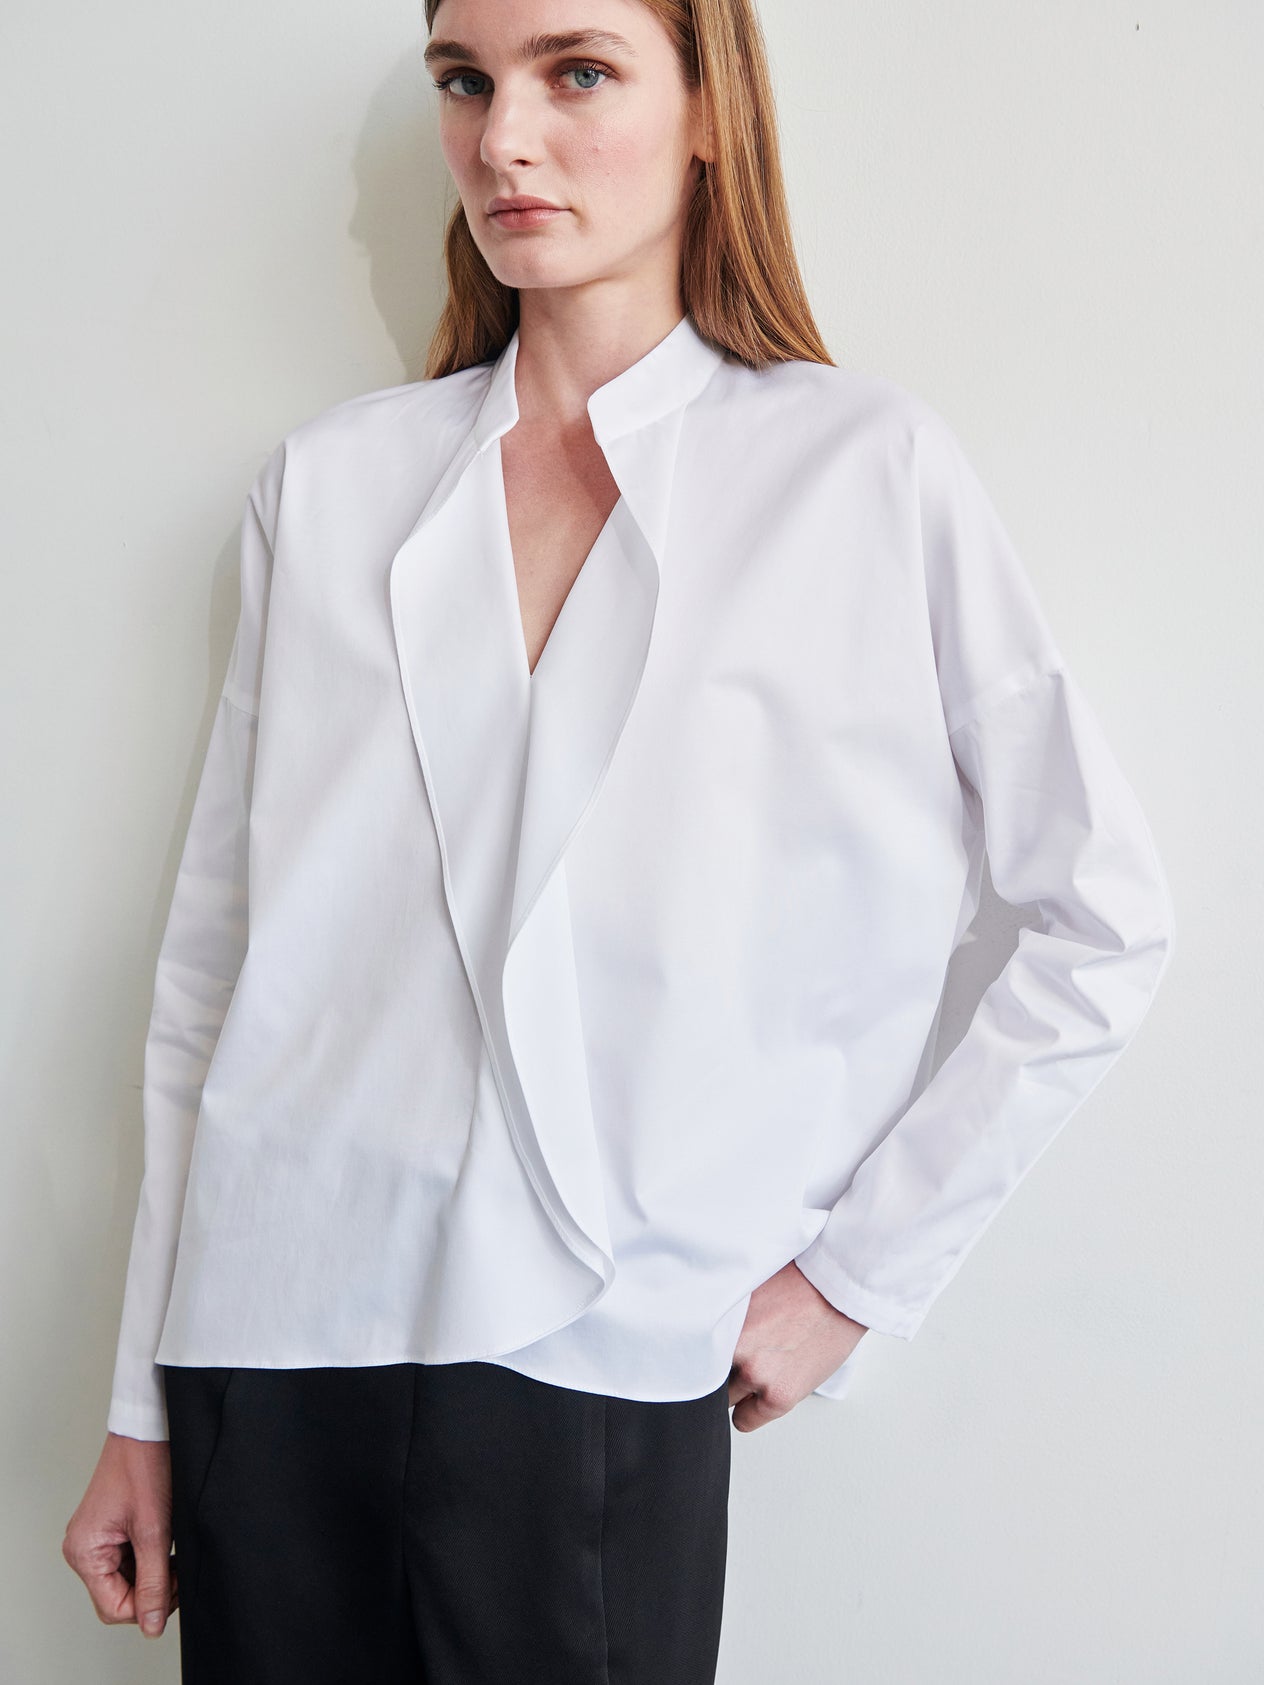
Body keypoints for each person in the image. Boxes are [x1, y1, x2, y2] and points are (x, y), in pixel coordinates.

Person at [62, 0, 1176, 1678]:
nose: (503, 139)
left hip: (606, 1351)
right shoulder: (335, 485)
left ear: (709, 105)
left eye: (576, 72)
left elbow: (1101, 912)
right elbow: (216, 974)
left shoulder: (858, 473)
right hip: (271, 1347)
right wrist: (142, 1400)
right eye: (466, 81)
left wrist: (856, 1275)